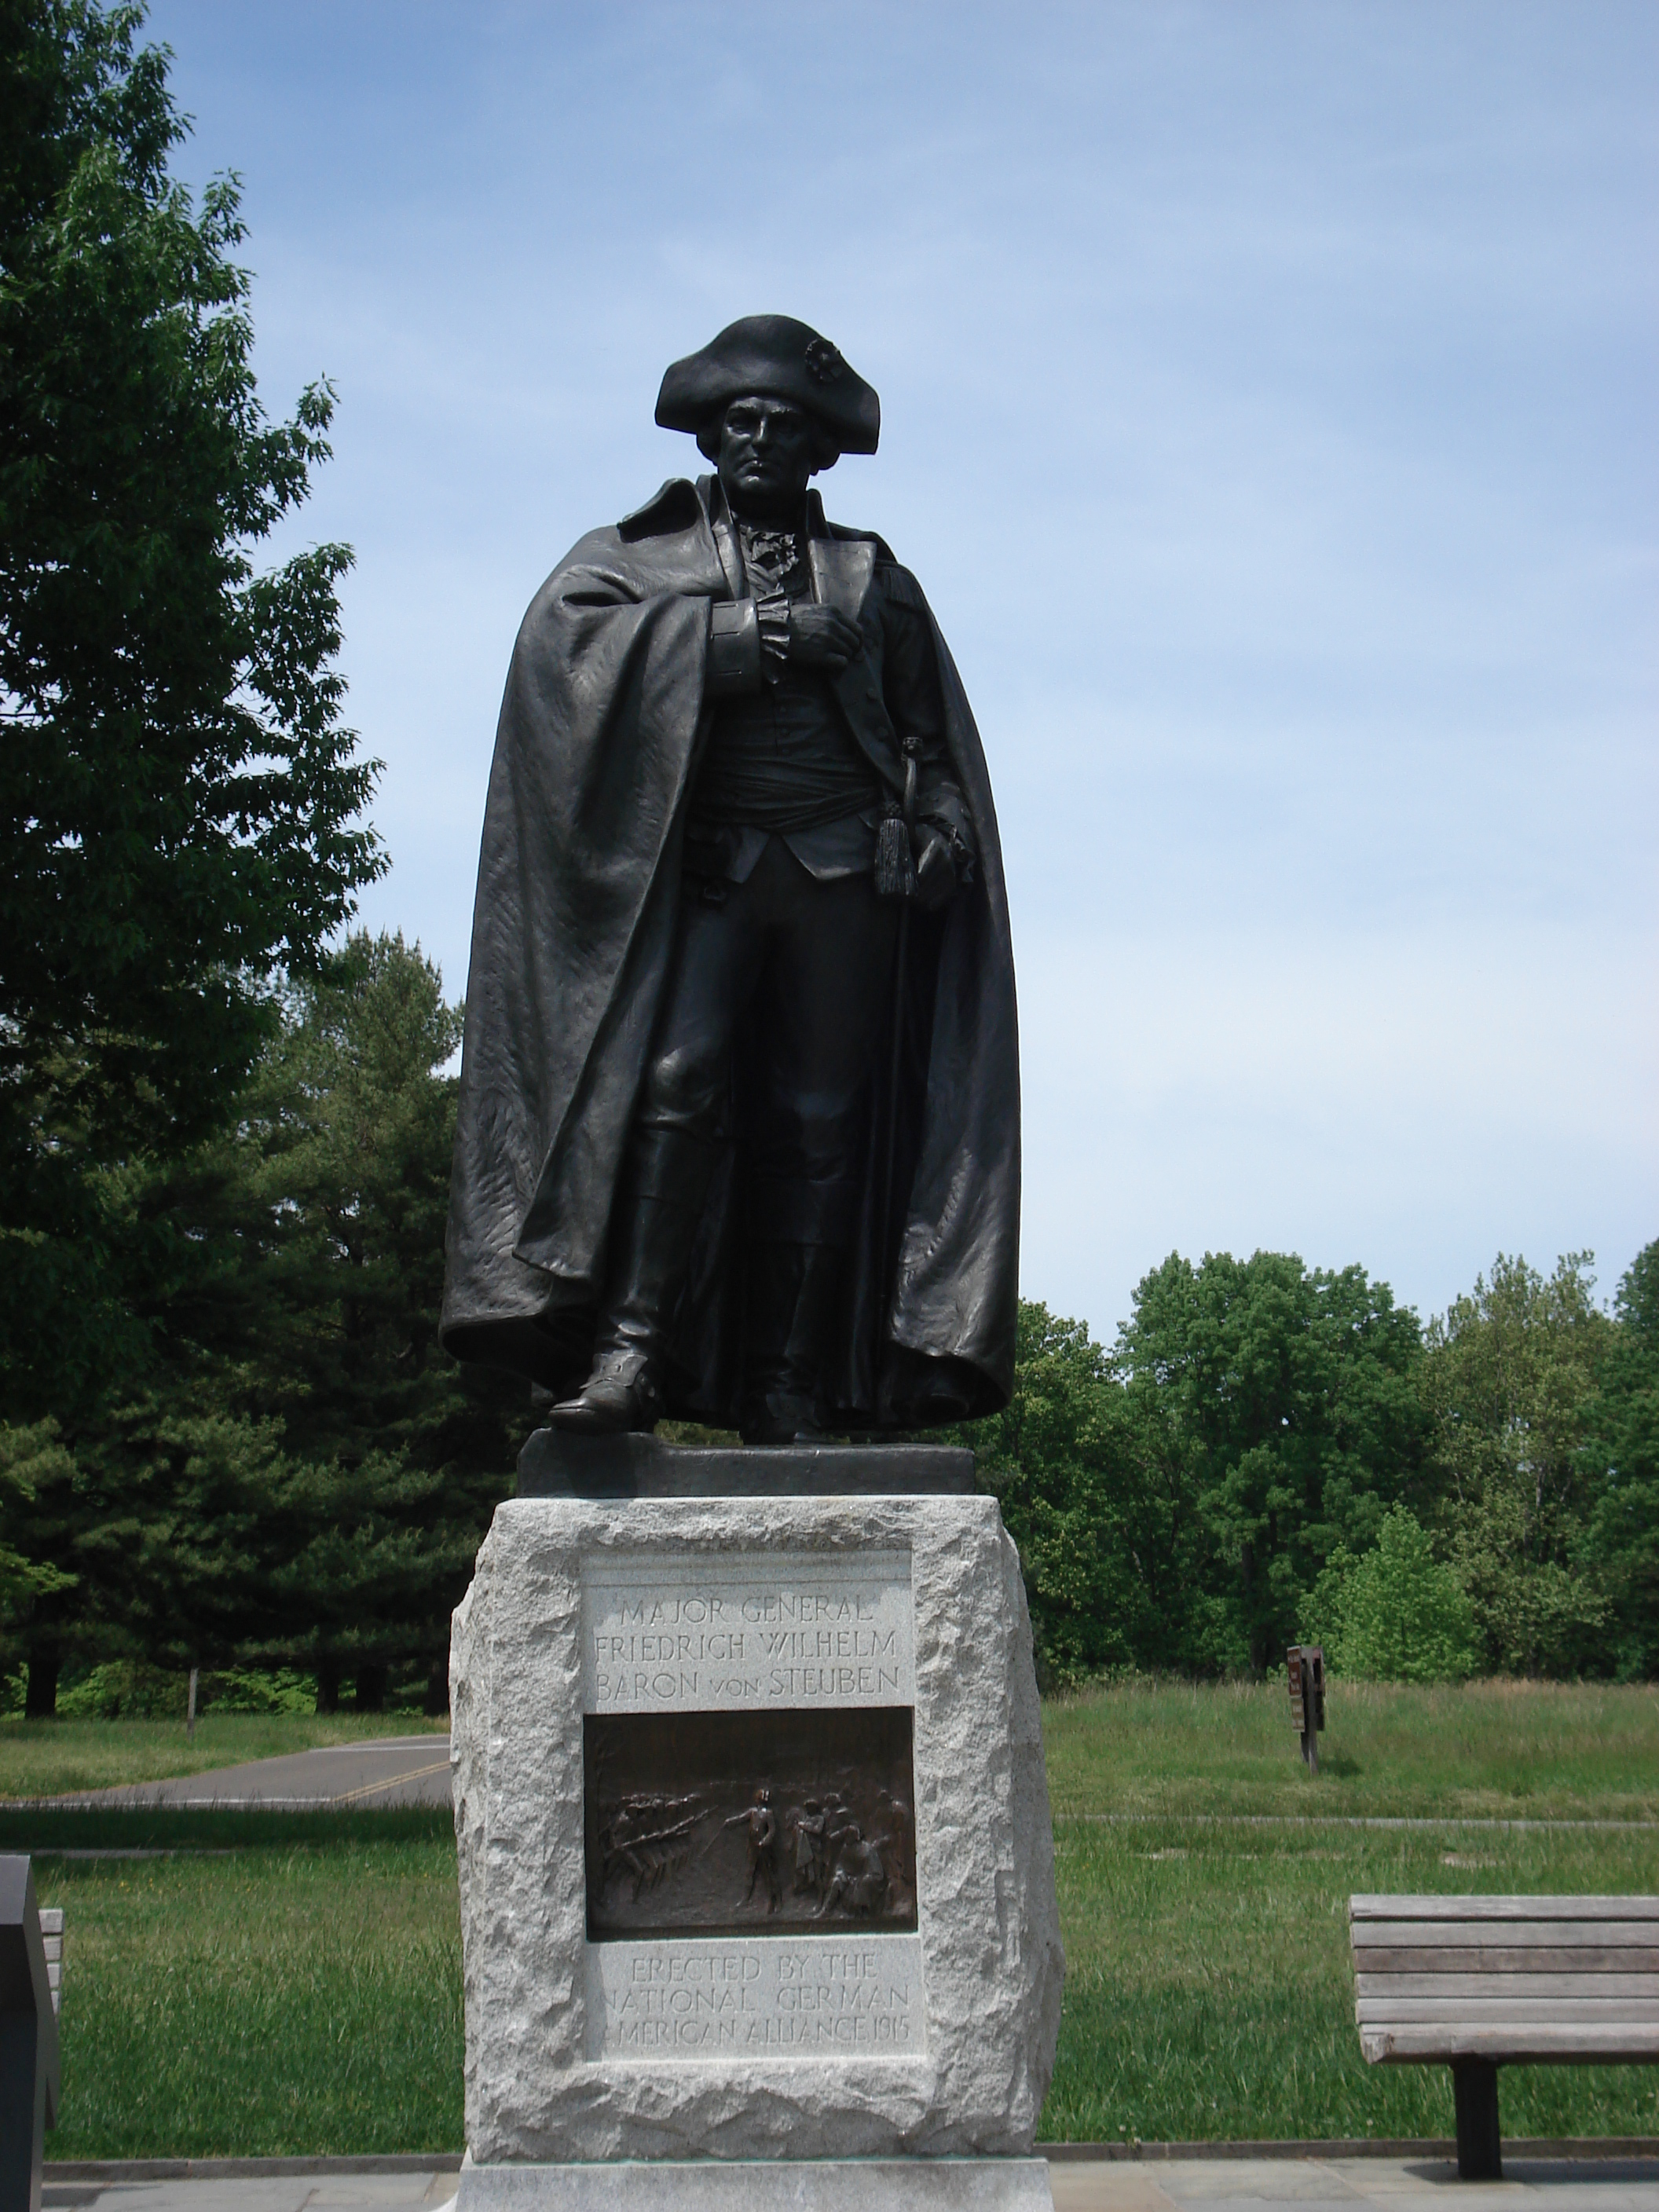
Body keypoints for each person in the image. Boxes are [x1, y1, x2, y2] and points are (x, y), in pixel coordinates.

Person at [441, 316, 1018, 1443]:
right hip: (704, 878)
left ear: (820, 451)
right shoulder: (633, 558)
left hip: (845, 878)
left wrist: (941, 835)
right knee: (675, 1085)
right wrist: (737, 643)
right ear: (708, 436)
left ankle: (788, 1386)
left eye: (784, 425)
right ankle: (629, 1354)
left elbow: (931, 745)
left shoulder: (875, 579)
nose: (758, 439)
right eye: (740, 421)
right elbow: (558, 660)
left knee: (820, 1122)